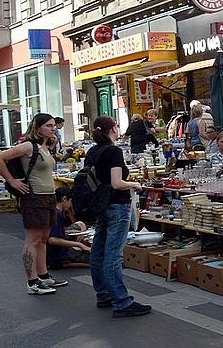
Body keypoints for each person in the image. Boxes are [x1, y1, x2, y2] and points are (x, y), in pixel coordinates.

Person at [0, 113, 67, 295]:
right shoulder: (28, 146)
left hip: (48, 196)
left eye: (53, 126)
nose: (53, 128)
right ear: (38, 127)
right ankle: (32, 282)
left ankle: (43, 276)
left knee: (42, 239)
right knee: (33, 240)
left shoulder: (46, 146)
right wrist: (12, 181)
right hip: (34, 197)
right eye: (49, 126)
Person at [88, 116, 151, 317]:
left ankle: (103, 294)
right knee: (113, 254)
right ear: (113, 128)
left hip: (101, 204)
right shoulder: (113, 151)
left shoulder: (93, 151)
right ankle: (122, 302)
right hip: (117, 204)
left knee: (98, 251)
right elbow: (117, 182)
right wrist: (133, 184)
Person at [47, 187, 90, 269]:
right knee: (96, 258)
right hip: (58, 254)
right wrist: (79, 244)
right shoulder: (57, 214)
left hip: (54, 252)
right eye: (70, 201)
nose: (70, 204)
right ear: (64, 199)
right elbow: (52, 240)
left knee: (80, 225)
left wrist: (68, 231)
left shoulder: (54, 210)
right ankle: (64, 262)